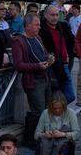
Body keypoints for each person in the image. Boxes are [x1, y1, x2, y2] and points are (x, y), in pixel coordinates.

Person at [13, 13, 52, 147]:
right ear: (28, 26)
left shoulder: (37, 38)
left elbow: (44, 54)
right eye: (36, 25)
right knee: (38, 112)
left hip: (45, 78)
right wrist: (37, 66)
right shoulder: (19, 41)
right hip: (33, 81)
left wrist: (49, 58)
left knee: (46, 110)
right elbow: (18, 65)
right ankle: (31, 140)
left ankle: (38, 138)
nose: (39, 27)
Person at [31, 91, 81, 155]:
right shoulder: (45, 113)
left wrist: (63, 134)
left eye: (60, 108)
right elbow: (36, 134)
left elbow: (77, 133)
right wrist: (45, 134)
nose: (57, 111)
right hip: (48, 142)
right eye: (55, 108)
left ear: (64, 107)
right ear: (51, 107)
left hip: (63, 142)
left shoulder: (70, 113)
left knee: (63, 148)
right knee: (39, 147)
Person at [39, 5, 76, 105]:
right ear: (46, 16)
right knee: (54, 93)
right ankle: (54, 110)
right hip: (51, 66)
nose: (55, 17)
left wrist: (70, 54)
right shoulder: (41, 29)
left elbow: (72, 41)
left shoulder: (63, 26)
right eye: (52, 15)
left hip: (64, 64)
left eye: (56, 15)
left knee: (70, 95)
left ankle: (56, 109)